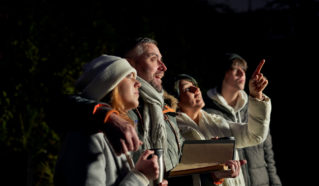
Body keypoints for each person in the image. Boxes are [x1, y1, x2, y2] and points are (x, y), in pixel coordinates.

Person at [66, 37, 244, 185]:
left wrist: (212, 174)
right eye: (153, 59)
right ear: (129, 64)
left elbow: (170, 176)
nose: (163, 67)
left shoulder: (166, 113)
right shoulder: (99, 119)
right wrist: (106, 116)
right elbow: (62, 105)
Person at [54, 55, 162, 186]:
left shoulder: (115, 132)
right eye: (129, 76)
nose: (138, 83)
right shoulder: (89, 135)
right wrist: (141, 176)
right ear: (109, 85)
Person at [170, 74, 271, 186]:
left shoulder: (216, 122)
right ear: (176, 100)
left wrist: (256, 96)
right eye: (187, 89)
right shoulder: (173, 132)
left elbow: (254, 135)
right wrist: (214, 174)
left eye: (195, 86)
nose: (196, 90)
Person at [203, 53, 282, 186]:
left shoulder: (256, 106)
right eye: (235, 69)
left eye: (244, 70)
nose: (242, 73)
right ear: (223, 73)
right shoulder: (208, 114)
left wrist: (275, 183)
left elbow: (268, 154)